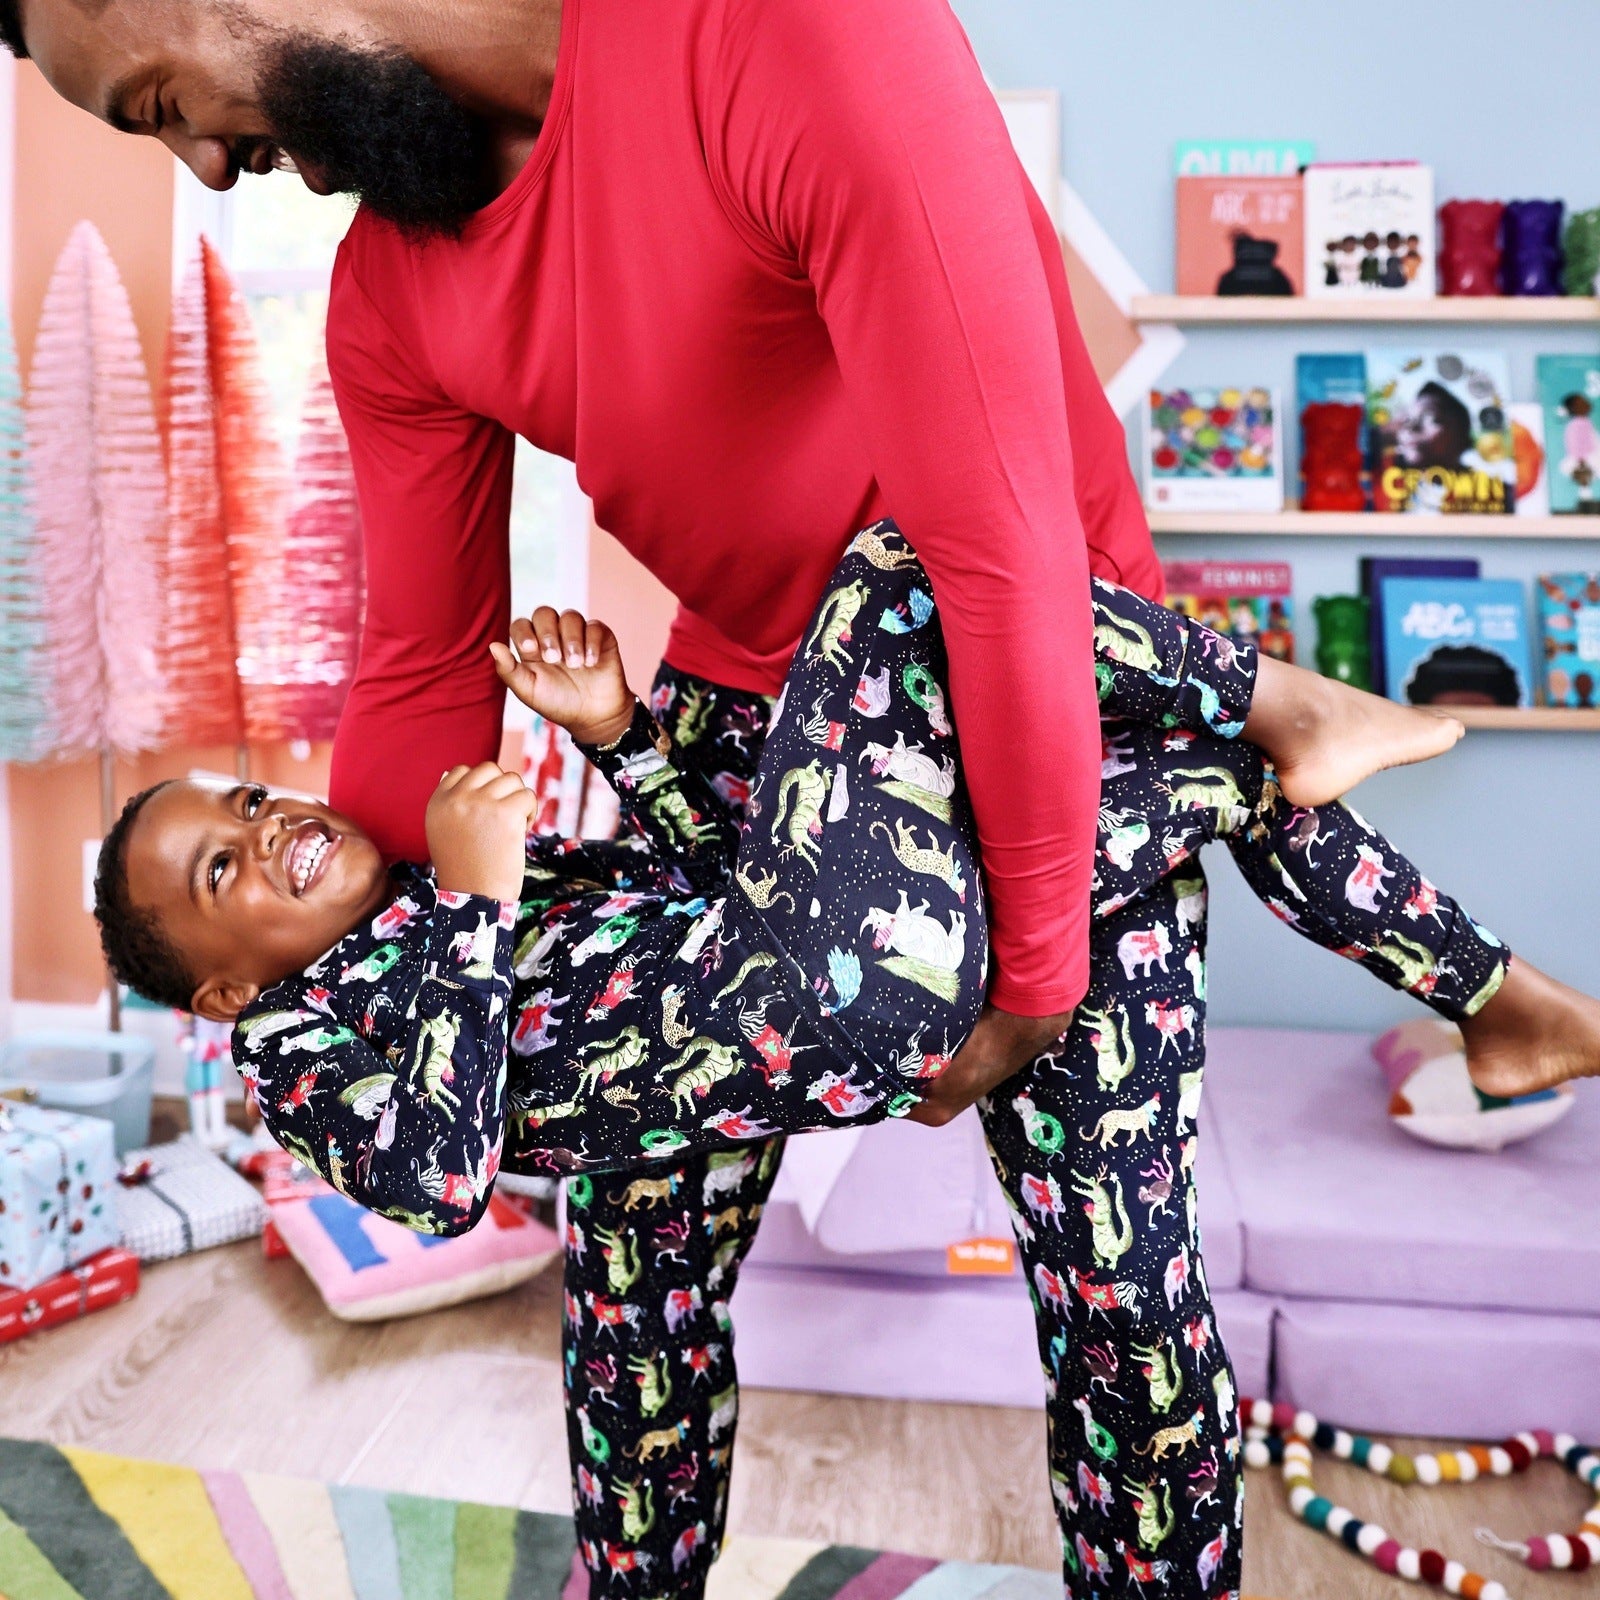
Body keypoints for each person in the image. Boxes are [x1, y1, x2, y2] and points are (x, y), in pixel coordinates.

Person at [14, 0, 1599, 1588]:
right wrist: (386, 981)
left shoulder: (793, 32)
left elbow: (988, 555)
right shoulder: (390, 292)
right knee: (634, 1283)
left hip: (1041, 686)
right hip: (747, 751)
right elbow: (420, 667)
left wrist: (1037, 972)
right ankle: (1411, 889)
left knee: (1122, 1300)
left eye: (159, 101)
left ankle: (1400, 889)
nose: (208, 168)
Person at [94, 530, 1600, 1590]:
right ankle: (1302, 727)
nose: (263, 826)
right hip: (807, 997)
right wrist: (485, 898)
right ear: (223, 990)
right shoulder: (295, 1039)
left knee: (1201, 790)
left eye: (238, 797)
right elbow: (430, 1173)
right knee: (895, 572)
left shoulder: (432, 886)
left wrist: (620, 731)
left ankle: (1489, 990)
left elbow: (694, 885)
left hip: (777, 999)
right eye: (222, 872)